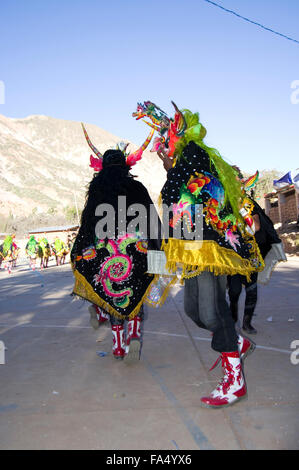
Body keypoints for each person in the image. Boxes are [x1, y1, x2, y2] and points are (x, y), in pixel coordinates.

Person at [133, 101, 264, 408]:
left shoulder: (194, 152)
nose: (162, 146)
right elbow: (177, 198)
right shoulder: (184, 158)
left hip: (208, 245)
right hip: (190, 245)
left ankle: (235, 381)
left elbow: (214, 189)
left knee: (211, 311)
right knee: (194, 311)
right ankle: (237, 342)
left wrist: (248, 214)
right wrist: (170, 166)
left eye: (165, 139)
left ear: (178, 135)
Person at [71, 123, 161, 361]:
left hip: (105, 250)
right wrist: (159, 248)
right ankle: (134, 335)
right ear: (125, 166)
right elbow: (151, 219)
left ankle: (118, 345)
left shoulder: (97, 190)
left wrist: (80, 249)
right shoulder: (137, 187)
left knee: (114, 294)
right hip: (137, 248)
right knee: (137, 291)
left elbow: (88, 222)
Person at [227, 174, 283, 334]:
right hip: (234, 256)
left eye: (238, 183)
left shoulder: (249, 204)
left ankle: (247, 323)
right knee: (234, 291)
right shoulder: (224, 205)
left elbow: (256, 228)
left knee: (251, 290)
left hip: (251, 255)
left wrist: (243, 211)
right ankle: (232, 321)